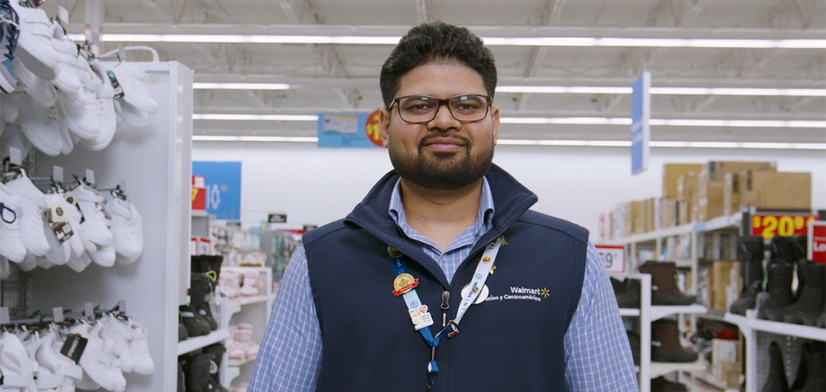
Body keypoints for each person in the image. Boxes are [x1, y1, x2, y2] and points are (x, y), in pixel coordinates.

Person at [248, 21, 638, 392]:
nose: (444, 121)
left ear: (494, 122)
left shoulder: (569, 257)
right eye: (419, 106)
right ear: (385, 125)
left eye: (467, 105)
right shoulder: (320, 260)